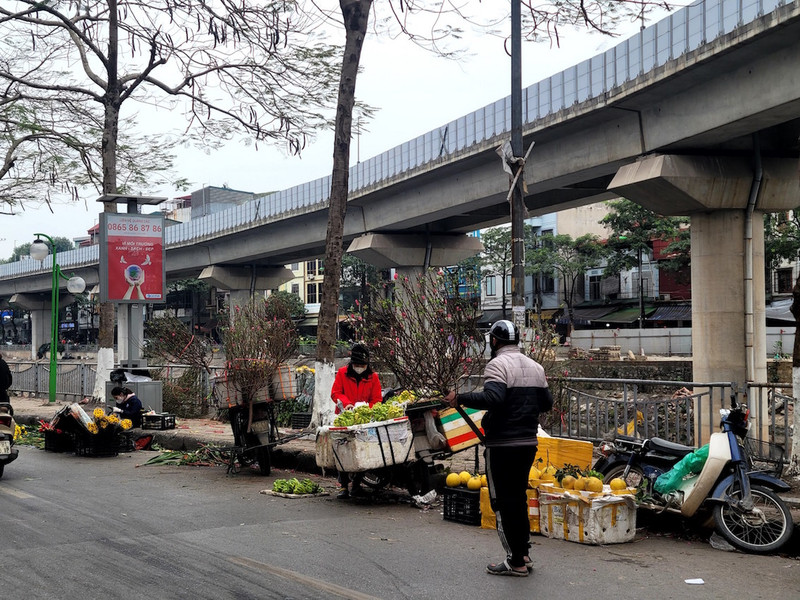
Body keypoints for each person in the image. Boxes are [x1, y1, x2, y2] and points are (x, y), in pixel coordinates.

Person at [444, 320, 552, 577]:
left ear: (494, 341)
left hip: (502, 445)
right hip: (528, 443)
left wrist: (460, 398)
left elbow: (494, 398)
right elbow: (546, 403)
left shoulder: (497, 365)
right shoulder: (536, 367)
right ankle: (523, 552)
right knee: (518, 498)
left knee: (502, 502)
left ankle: (515, 561)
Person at [330, 342, 382, 499]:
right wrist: (347, 404)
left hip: (365, 420)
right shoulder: (342, 373)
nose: (359, 367)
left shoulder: (373, 377)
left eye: (362, 365)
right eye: (357, 364)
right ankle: (343, 486)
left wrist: (366, 410)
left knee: (362, 452)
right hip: (345, 417)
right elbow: (335, 393)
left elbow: (377, 400)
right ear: (352, 363)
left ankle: (357, 485)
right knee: (342, 451)